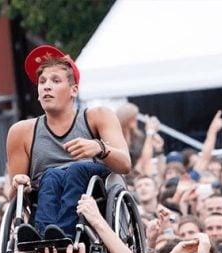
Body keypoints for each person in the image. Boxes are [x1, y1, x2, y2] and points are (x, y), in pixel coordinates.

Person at [7, 45, 130, 240]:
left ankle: (64, 233)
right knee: (52, 175)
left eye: (55, 81)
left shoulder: (98, 116)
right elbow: (15, 195)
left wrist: (99, 148)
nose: (47, 86)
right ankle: (45, 235)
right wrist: (19, 183)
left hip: (92, 191)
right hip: (46, 190)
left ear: (73, 90)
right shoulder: (21, 131)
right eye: (42, 81)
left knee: (75, 170)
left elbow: (125, 165)